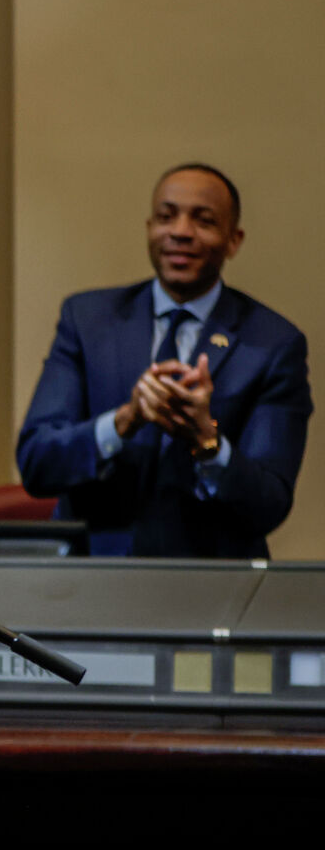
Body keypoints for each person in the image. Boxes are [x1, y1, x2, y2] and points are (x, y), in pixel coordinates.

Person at [17, 163, 311, 557]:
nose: (181, 232)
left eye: (203, 220)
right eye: (166, 216)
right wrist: (124, 420)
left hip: (211, 584)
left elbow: (269, 504)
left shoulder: (273, 344)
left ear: (233, 240)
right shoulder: (88, 320)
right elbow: (38, 463)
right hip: (91, 579)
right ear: (149, 227)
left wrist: (208, 441)